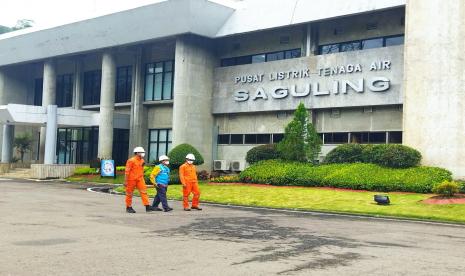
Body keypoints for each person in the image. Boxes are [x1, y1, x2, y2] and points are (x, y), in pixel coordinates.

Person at [124, 147, 155, 213]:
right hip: (131, 179)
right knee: (129, 193)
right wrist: (126, 181)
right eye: (141, 152)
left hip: (140, 179)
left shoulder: (142, 161)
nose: (143, 154)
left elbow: (142, 169)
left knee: (144, 192)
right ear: (137, 153)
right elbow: (127, 171)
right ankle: (128, 207)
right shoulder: (131, 160)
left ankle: (147, 206)